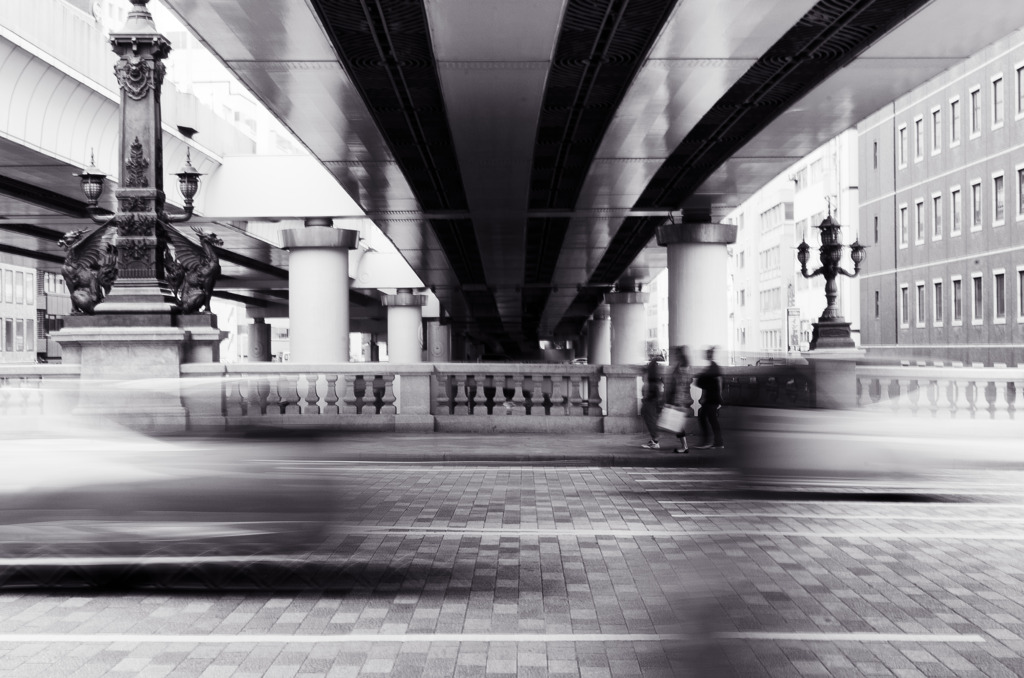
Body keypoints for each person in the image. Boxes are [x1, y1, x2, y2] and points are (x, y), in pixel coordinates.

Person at [663, 346, 691, 453]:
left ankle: (685, 447)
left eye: (676, 353)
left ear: (679, 354)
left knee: (677, 424)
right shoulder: (684, 366)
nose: (674, 355)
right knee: (677, 423)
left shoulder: (681, 367)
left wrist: (674, 400)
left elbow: (679, 384)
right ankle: (684, 446)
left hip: (678, 399)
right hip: (680, 398)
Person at [695, 346, 724, 449]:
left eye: (707, 354)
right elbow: (716, 383)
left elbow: (715, 383)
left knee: (706, 418)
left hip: (711, 398)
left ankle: (710, 442)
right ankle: (716, 442)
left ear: (709, 355)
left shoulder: (712, 368)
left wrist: (719, 397)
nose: (706, 355)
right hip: (712, 398)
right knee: (710, 419)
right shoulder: (713, 367)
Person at [640, 356, 662, 449]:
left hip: (650, 400)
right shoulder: (655, 378)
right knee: (650, 418)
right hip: (651, 400)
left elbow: (651, 391)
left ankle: (655, 440)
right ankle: (654, 439)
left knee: (650, 419)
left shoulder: (652, 379)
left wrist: (646, 398)